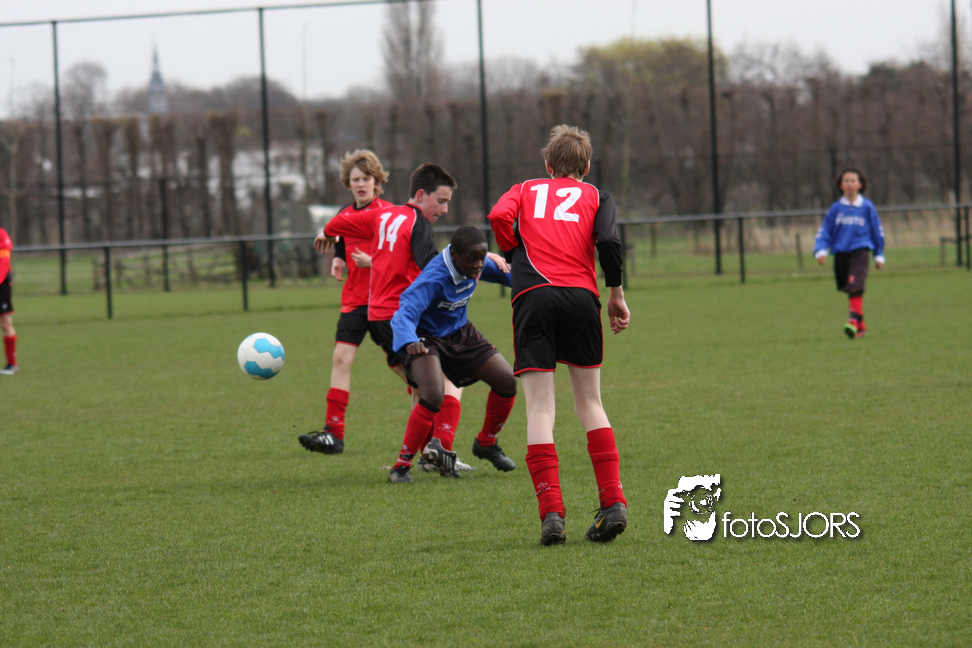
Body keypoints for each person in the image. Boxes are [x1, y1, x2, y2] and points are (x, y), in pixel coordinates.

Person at [488, 124, 630, 546]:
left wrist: (514, 251)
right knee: (590, 403)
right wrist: (616, 294)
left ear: (548, 165)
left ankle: (552, 513)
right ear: (586, 167)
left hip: (533, 296)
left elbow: (498, 216)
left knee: (539, 408)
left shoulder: (524, 189)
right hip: (582, 298)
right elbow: (609, 242)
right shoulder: (597, 195)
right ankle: (613, 503)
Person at [317, 163, 504, 464]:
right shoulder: (419, 223)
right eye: (441, 201)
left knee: (421, 387)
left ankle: (427, 454)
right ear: (420, 195)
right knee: (445, 384)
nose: (444, 209)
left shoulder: (384, 214)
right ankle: (438, 450)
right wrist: (483, 257)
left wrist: (327, 232)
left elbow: (341, 222)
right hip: (403, 317)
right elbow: (433, 264)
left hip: (378, 315)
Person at [387, 226, 518, 483]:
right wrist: (409, 340)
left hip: (460, 332)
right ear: (455, 255)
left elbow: (514, 277)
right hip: (425, 337)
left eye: (482, 258)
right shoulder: (435, 277)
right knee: (433, 394)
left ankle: (486, 443)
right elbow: (406, 309)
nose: (479, 265)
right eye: (472, 260)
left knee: (506, 380)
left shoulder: (475, 264)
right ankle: (401, 466)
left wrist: (543, 282)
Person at [299, 150, 395, 454]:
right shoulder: (345, 214)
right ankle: (334, 433)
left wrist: (373, 261)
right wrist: (339, 258)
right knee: (340, 359)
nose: (361, 184)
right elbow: (342, 237)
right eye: (355, 179)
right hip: (354, 301)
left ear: (377, 181)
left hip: (385, 301)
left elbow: (402, 256)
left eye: (366, 178)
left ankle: (430, 417)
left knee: (403, 367)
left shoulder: (389, 214)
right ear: (348, 183)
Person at [814, 167, 885, 339]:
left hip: (860, 251)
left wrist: (878, 254)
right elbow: (825, 231)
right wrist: (821, 250)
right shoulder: (836, 208)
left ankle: (852, 321)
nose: (849, 184)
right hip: (841, 253)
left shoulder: (867, 207)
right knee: (850, 289)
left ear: (860, 185)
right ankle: (861, 327)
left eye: (853, 181)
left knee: (855, 286)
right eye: (846, 181)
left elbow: (877, 231)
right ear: (840, 185)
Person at [0, 226, 17, 375]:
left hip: (1, 285)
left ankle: (12, 364)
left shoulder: (1, 235)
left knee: (5, 323)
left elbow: (3, 263)